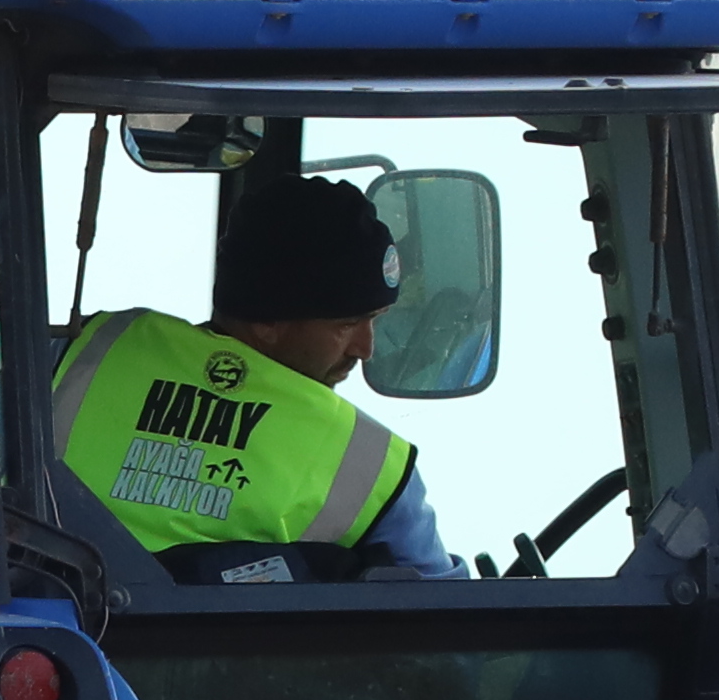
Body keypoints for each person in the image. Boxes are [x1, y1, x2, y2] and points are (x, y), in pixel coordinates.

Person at [38, 162, 459, 579]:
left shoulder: (78, 355)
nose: (365, 348)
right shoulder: (369, 464)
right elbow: (448, 626)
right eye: (346, 324)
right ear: (267, 320)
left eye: (375, 320)